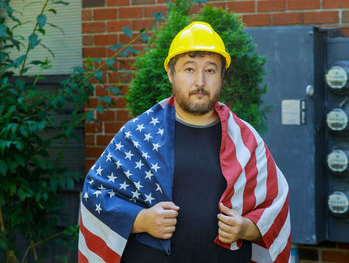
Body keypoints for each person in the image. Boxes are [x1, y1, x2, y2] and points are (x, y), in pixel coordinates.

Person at [78, 21, 290, 263]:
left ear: (222, 75)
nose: (200, 81)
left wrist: (245, 228)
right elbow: (94, 195)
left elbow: (277, 206)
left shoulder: (246, 140)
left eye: (210, 70)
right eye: (189, 69)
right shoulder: (137, 134)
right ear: (171, 74)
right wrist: (141, 219)